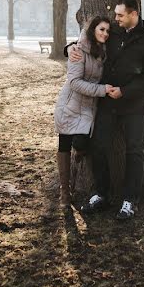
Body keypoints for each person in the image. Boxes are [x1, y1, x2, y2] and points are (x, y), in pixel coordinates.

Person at [70, 0, 144, 220]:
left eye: (121, 15)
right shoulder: (115, 33)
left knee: (134, 152)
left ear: (133, 14)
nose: (116, 19)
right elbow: (91, 39)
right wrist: (70, 48)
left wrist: (125, 91)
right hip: (108, 103)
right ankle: (101, 194)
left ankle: (130, 200)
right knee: (98, 146)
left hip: (135, 106)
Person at [53, 16, 118, 207]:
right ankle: (65, 191)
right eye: (101, 30)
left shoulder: (105, 50)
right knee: (64, 143)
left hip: (89, 108)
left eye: (107, 31)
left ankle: (78, 156)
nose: (105, 34)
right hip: (70, 105)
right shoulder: (78, 51)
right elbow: (74, 82)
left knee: (82, 143)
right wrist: (102, 89)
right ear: (93, 30)